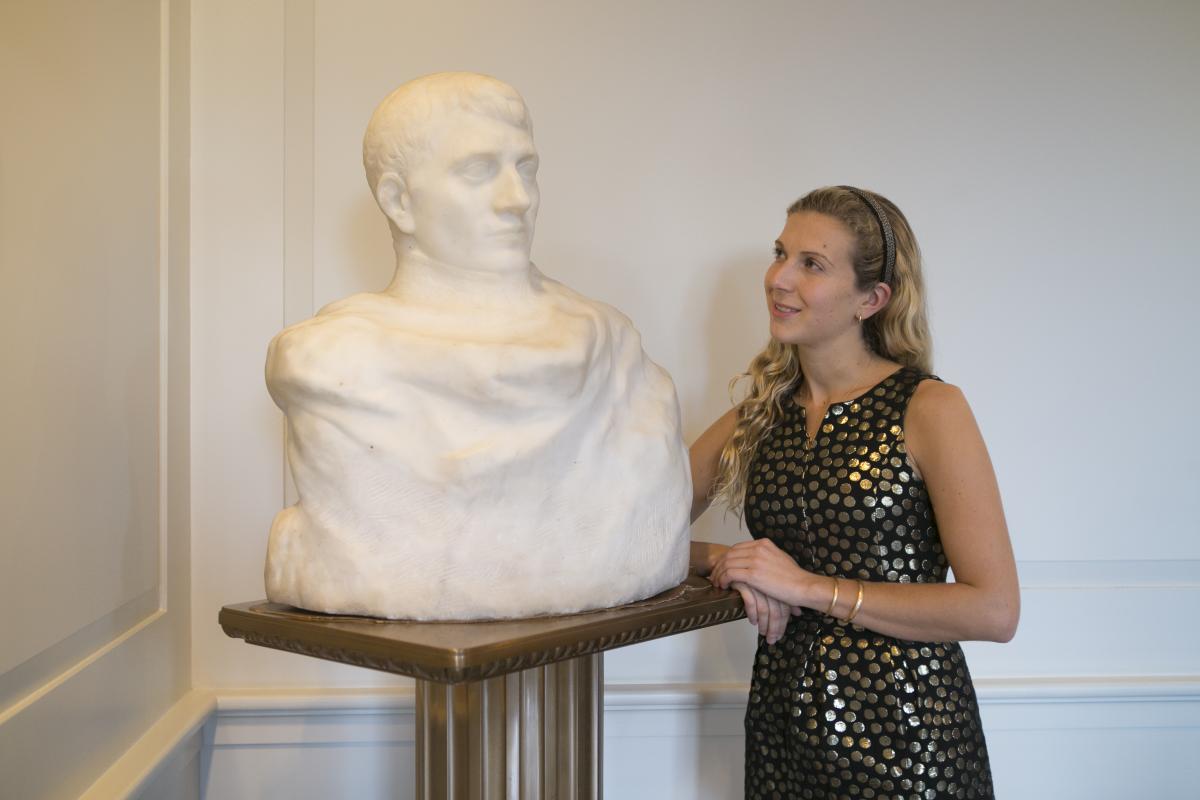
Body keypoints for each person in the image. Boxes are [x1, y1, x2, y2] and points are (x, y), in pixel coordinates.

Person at [263, 73, 690, 621]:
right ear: (399, 200)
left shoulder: (615, 352)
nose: (517, 200)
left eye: (526, 169)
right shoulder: (334, 364)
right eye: (478, 170)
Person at [689, 186, 1018, 798]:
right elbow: (628, 531)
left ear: (872, 299)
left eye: (811, 264)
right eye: (780, 253)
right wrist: (731, 561)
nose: (779, 278)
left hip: (908, 740)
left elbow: (994, 610)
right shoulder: (759, 417)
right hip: (781, 736)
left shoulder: (929, 408)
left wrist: (806, 588)